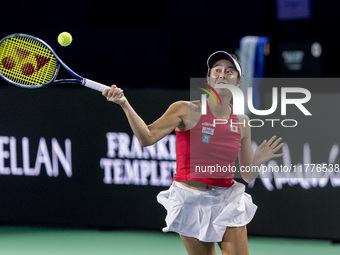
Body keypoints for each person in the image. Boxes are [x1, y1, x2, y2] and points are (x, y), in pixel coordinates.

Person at [102, 51, 283, 255]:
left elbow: (248, 175)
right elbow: (147, 137)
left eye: (229, 71)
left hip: (227, 199)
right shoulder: (184, 110)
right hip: (190, 200)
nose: (222, 75)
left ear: (238, 82)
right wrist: (124, 104)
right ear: (208, 78)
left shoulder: (243, 122)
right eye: (217, 70)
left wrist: (258, 160)